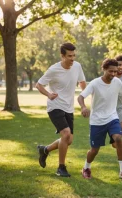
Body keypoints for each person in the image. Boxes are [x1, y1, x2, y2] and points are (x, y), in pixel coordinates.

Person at [78, 58, 122, 180]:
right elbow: (81, 97)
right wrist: (83, 107)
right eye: (110, 71)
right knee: (94, 150)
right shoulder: (95, 83)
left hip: (112, 117)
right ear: (103, 69)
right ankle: (86, 167)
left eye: (115, 71)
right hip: (97, 121)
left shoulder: (117, 82)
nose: (113, 74)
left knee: (119, 139)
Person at [36, 43, 86, 177]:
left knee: (68, 140)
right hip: (55, 106)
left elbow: (82, 82)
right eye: (69, 56)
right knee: (65, 134)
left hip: (68, 107)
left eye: (74, 55)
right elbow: (38, 84)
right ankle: (61, 167)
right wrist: (48, 94)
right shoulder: (54, 69)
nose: (72, 58)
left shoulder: (77, 66)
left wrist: (84, 99)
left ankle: (45, 149)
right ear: (62, 56)